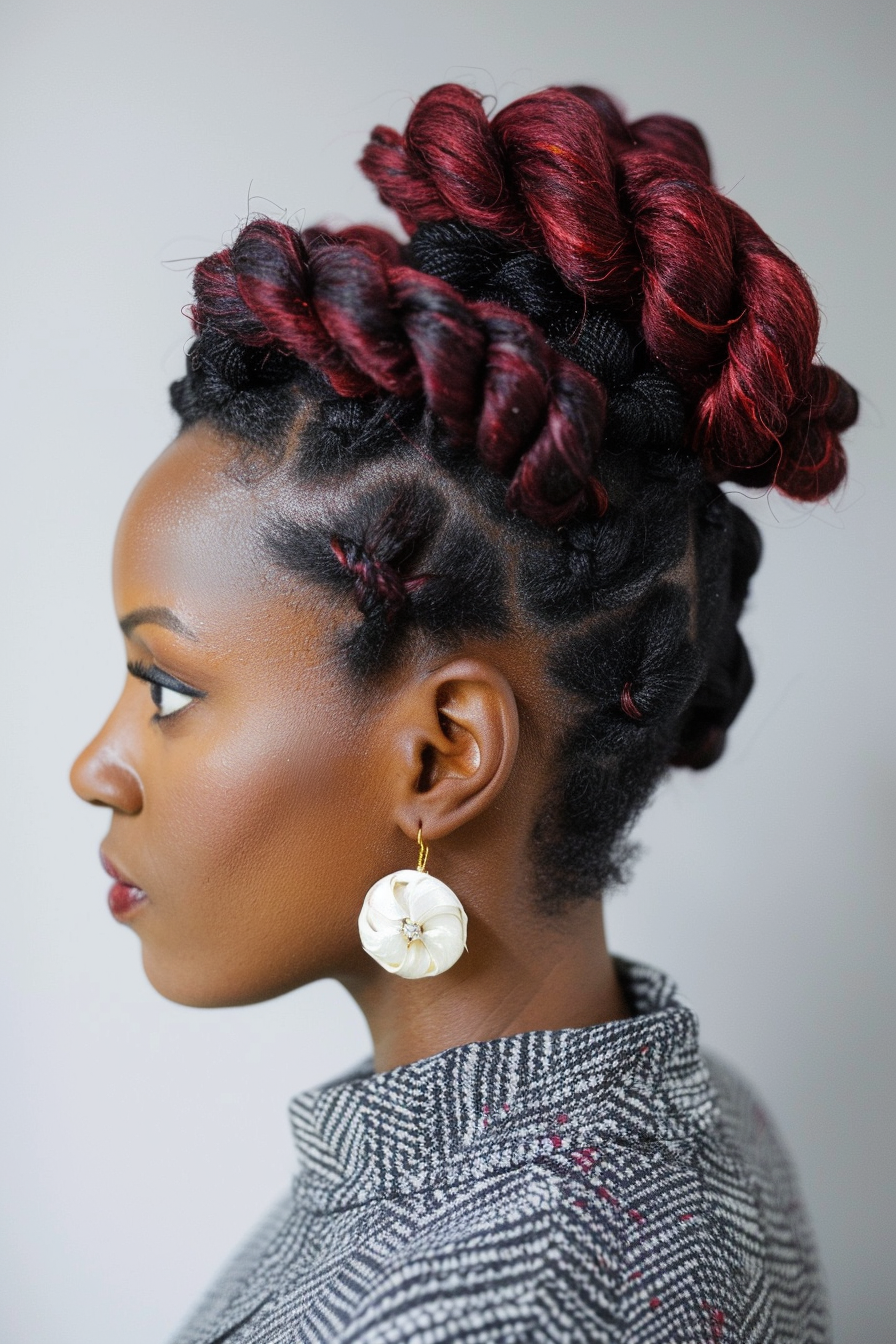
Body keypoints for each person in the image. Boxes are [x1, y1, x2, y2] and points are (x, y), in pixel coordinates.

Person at [70, 82, 857, 1343]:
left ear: (440, 758)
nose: (94, 767)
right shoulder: (703, 1105)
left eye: (166, 688)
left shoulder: (479, 1310)